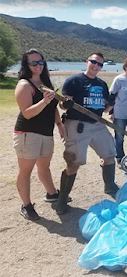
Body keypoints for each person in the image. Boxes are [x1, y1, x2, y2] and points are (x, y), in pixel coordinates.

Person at [57, 52, 119, 215]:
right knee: (73, 163)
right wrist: (66, 104)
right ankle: (62, 200)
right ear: (87, 62)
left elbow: (104, 109)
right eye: (94, 62)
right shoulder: (74, 81)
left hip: (97, 123)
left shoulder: (102, 84)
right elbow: (63, 105)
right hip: (77, 125)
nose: (96, 66)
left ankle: (110, 185)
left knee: (109, 155)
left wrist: (111, 104)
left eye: (100, 64)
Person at [13, 48, 66, 220]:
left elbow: (53, 108)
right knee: (25, 170)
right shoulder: (24, 85)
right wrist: (44, 100)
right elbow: (27, 113)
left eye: (40, 62)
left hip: (46, 133)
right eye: (33, 63)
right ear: (26, 65)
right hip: (28, 133)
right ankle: (26, 205)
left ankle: (51, 193)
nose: (38, 66)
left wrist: (59, 124)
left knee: (44, 167)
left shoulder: (45, 83)